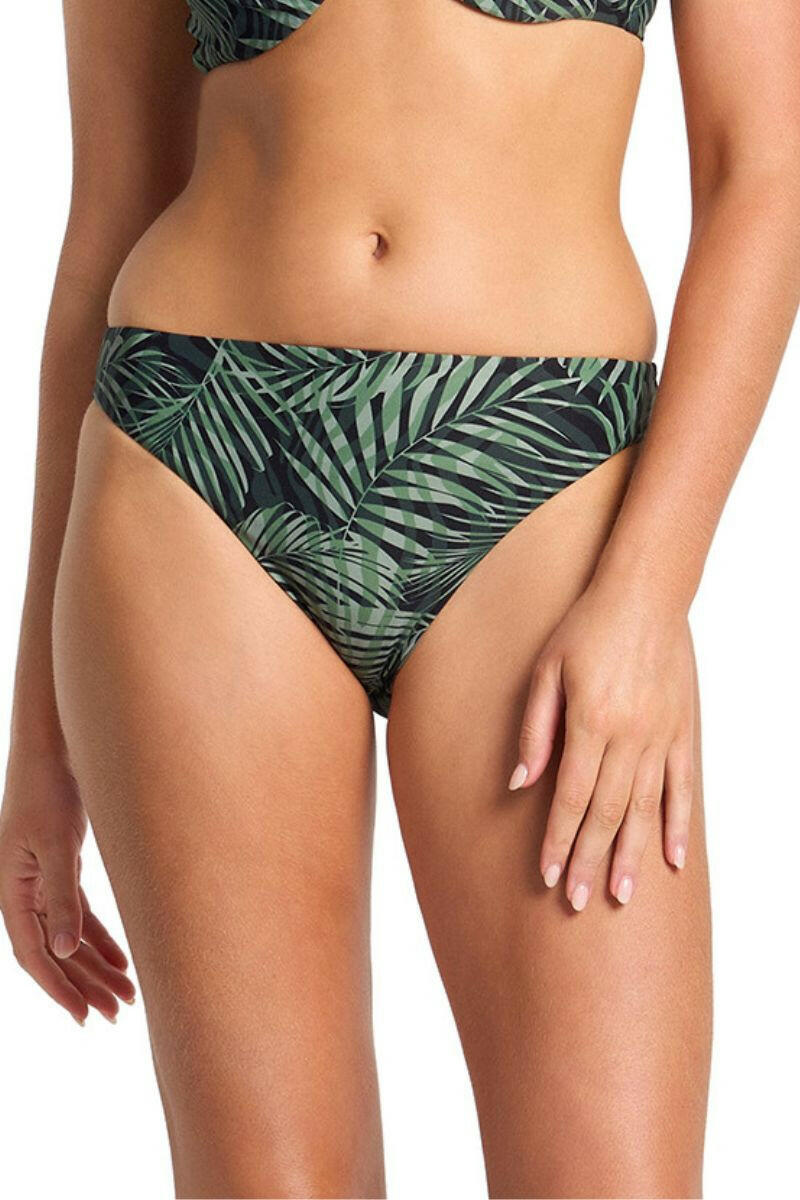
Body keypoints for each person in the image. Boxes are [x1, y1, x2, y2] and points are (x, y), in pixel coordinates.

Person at [1, 2, 798, 1196]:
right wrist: (39, 731)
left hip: (542, 477)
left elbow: (762, 174)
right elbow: (110, 205)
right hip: (197, 452)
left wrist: (644, 599)